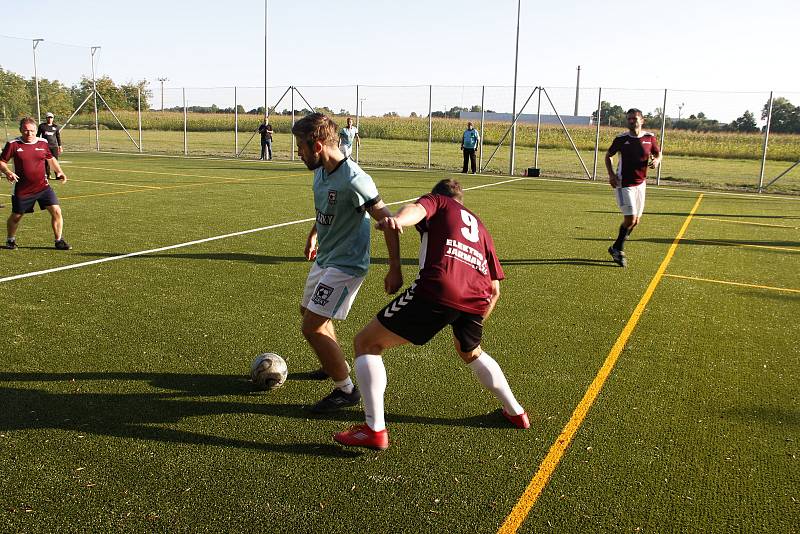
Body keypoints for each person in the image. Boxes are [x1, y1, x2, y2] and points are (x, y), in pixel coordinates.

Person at [333, 178, 529, 450]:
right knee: (471, 352)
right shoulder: (481, 228)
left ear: (441, 197)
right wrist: (471, 319)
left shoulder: (439, 201)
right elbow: (495, 289)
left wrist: (399, 220)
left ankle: (374, 429)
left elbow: (416, 209)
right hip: (477, 297)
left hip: (439, 288)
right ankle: (516, 412)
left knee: (366, 343)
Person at [292, 113, 402, 412]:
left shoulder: (354, 179)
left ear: (316, 145)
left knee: (311, 327)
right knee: (309, 312)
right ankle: (333, 364)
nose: (297, 152)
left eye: (300, 146)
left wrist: (395, 267)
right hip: (326, 258)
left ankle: (346, 389)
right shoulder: (321, 172)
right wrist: (313, 235)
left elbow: (388, 220)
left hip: (347, 265)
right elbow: (323, 210)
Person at [1, 117, 71, 250]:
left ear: (35, 130)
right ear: (21, 130)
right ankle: (10, 240)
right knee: (16, 216)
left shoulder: (43, 143)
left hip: (43, 187)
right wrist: (8, 172)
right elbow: (2, 161)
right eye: (26, 131)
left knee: (56, 211)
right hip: (23, 189)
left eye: (32, 131)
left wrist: (59, 172)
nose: (29, 134)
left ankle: (59, 240)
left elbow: (51, 159)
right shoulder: (13, 144)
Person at [604, 108, 661, 267]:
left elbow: (658, 154)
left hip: (640, 184)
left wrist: (656, 161)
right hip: (624, 184)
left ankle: (615, 246)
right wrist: (611, 175)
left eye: (634, 118)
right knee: (630, 219)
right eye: (629, 119)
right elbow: (608, 156)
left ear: (642, 120)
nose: (631, 121)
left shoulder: (650, 138)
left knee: (636, 221)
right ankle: (618, 250)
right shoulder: (621, 139)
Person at [36, 112, 63, 178]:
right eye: (48, 117)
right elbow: (38, 135)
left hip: (54, 146)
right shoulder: (42, 126)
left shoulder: (55, 127)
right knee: (46, 161)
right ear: (46, 118)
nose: (50, 119)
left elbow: (58, 137)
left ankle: (57, 175)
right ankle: (48, 174)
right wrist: (37, 144)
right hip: (45, 146)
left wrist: (60, 146)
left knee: (55, 161)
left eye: (51, 117)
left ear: (53, 118)